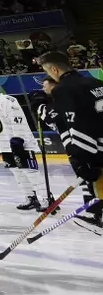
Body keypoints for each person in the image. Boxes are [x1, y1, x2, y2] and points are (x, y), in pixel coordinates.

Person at [37, 49, 103, 227]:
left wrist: (80, 159)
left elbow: (75, 126)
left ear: (54, 70)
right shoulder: (95, 81)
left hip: (98, 151)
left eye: (47, 71)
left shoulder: (62, 90)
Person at [0, 78, 46, 210]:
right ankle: (30, 198)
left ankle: (46, 199)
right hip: (5, 146)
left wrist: (17, 139)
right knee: (18, 173)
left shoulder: (8, 100)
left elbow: (17, 120)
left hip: (20, 144)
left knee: (30, 172)